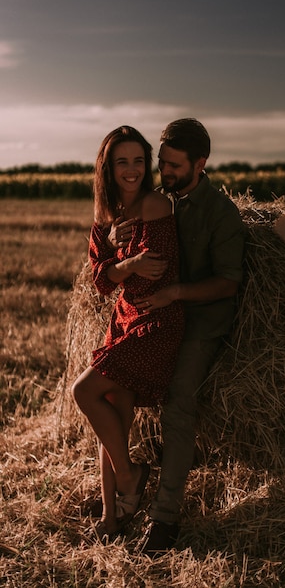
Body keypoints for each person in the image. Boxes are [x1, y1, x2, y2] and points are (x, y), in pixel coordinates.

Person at [133, 118, 246, 555]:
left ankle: (165, 519)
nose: (165, 172)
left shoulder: (222, 214)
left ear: (201, 164)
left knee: (179, 404)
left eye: (175, 166)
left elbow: (227, 284)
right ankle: (125, 491)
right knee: (114, 377)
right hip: (162, 312)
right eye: (162, 163)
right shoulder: (158, 201)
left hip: (201, 321)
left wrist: (176, 293)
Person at [71, 125, 184, 541]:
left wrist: (124, 260)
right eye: (123, 162)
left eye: (139, 160)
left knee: (84, 392)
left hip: (155, 324)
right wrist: (124, 263)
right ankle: (110, 518)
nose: (133, 169)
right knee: (114, 417)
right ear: (109, 168)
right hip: (123, 321)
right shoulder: (105, 218)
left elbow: (150, 271)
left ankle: (132, 476)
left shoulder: (156, 206)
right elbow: (101, 282)